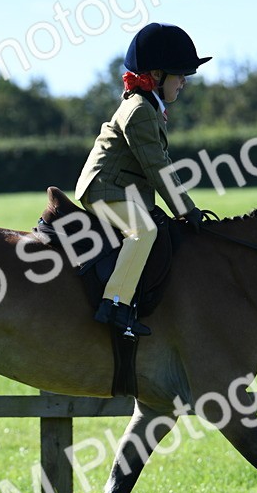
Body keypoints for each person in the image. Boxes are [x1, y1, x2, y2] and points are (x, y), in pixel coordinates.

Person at [74, 23, 210, 337]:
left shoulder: (149, 108)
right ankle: (115, 305)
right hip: (103, 190)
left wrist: (185, 207)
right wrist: (186, 209)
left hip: (120, 190)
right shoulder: (139, 111)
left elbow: (162, 166)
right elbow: (157, 168)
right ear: (158, 76)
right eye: (179, 75)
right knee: (143, 230)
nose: (184, 82)